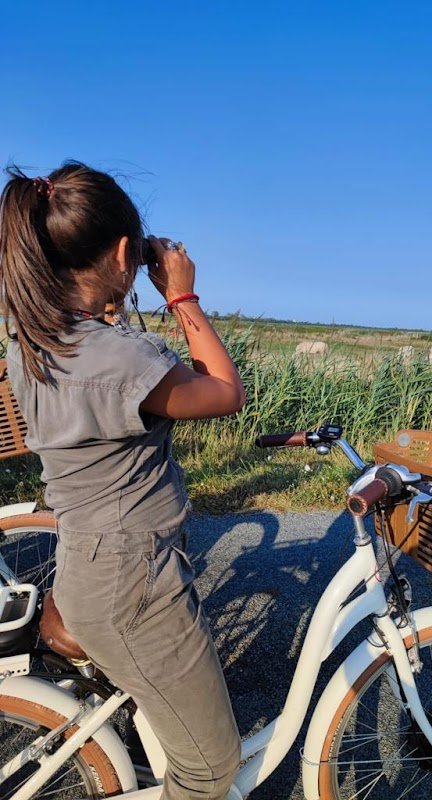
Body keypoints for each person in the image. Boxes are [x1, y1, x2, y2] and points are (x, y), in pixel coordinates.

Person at [0, 162, 244, 800]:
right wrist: (183, 296)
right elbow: (223, 392)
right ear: (118, 252)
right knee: (210, 772)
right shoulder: (118, 356)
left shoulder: (31, 339)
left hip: (91, 564)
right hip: (134, 579)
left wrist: (115, 296)